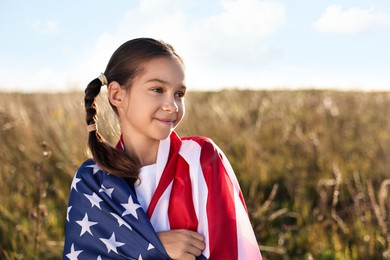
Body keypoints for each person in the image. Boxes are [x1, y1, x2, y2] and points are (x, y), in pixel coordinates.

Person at [63, 38, 262, 260]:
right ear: (117, 95)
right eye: (157, 89)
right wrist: (153, 246)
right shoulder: (93, 181)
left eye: (179, 94)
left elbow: (233, 250)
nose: (172, 105)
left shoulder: (201, 159)